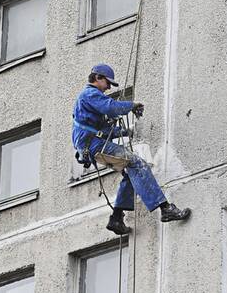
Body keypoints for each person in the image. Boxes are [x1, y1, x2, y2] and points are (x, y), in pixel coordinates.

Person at [72, 63, 191, 235]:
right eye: (107, 83)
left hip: (92, 144)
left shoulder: (90, 100)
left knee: (131, 173)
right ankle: (165, 209)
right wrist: (132, 105)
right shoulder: (90, 94)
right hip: (93, 144)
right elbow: (111, 107)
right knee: (137, 163)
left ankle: (116, 218)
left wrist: (125, 131)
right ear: (98, 78)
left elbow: (103, 130)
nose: (108, 88)